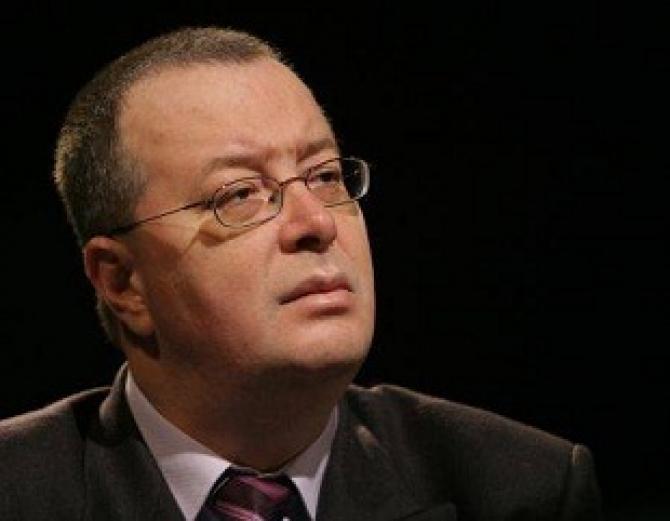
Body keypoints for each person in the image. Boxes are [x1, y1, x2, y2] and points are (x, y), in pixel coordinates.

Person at [0, 27, 602, 520]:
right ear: (122, 282)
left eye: (326, 176)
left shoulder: (521, 490)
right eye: (240, 194)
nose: (316, 223)